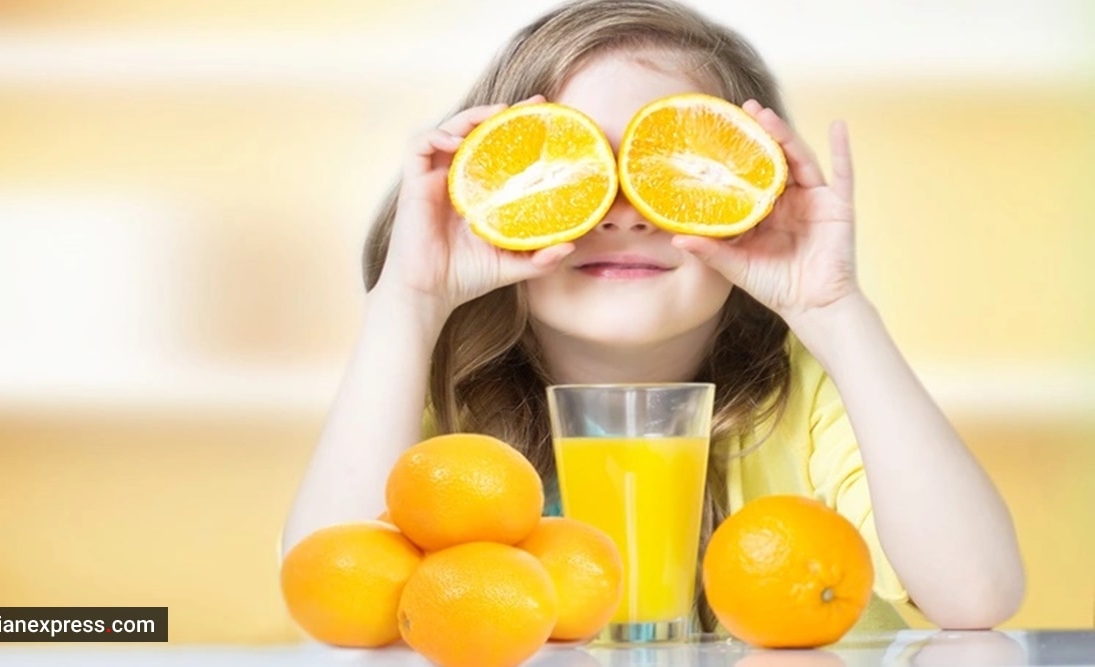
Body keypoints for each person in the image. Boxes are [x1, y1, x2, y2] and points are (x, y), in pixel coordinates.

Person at [283, 0, 1024, 633]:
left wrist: (833, 308)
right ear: (493, 191)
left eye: (671, 176)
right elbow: (335, 593)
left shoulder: (807, 398)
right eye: (576, 171)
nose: (627, 217)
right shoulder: (447, 406)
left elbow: (976, 594)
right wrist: (407, 301)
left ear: (755, 197)